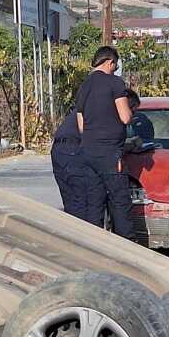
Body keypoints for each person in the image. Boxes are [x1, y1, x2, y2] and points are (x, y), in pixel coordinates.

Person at [73, 46, 135, 239]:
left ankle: (94, 245)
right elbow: (125, 117)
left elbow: (81, 123)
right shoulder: (115, 83)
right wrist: (131, 114)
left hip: (88, 151)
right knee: (120, 201)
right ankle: (127, 245)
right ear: (110, 62)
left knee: (94, 202)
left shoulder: (84, 86)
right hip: (109, 152)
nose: (115, 69)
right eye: (115, 66)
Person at [50, 108, 85, 220]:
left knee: (71, 203)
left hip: (58, 150)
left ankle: (73, 232)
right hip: (71, 150)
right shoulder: (99, 108)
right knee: (80, 201)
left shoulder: (86, 102)